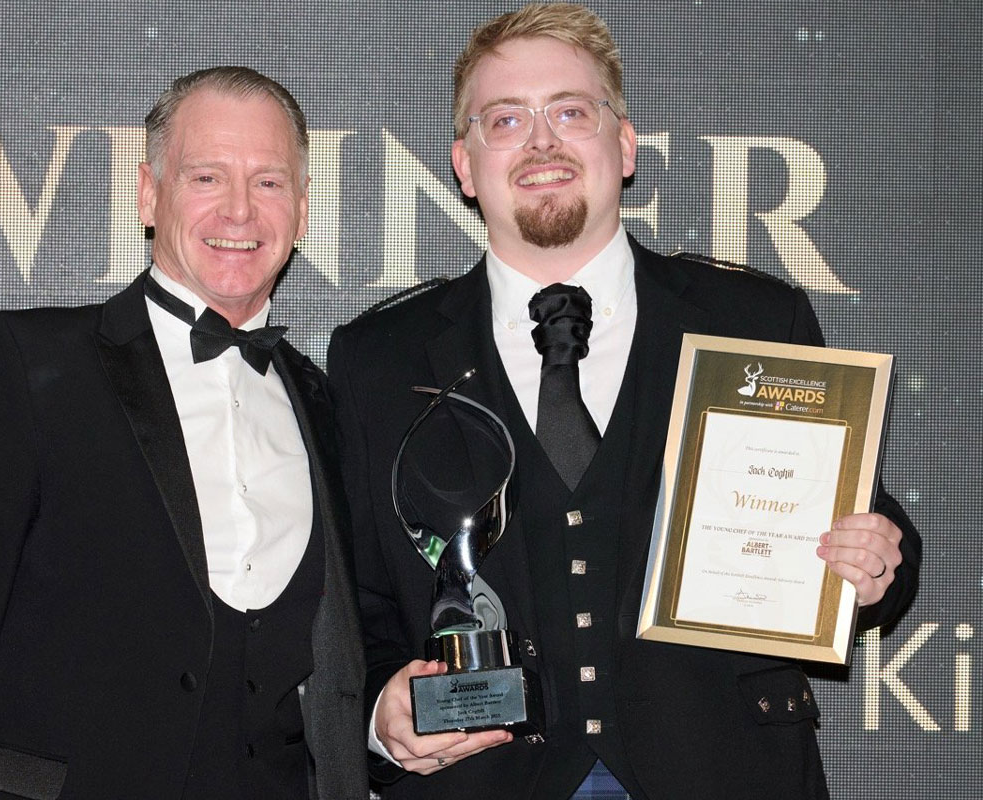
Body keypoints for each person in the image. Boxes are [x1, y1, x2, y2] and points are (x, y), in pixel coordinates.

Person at [326, 5, 920, 799]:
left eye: (571, 111)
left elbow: (859, 531)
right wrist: (380, 715)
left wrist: (877, 566)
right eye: (505, 119)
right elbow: (348, 612)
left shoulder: (752, 321)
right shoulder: (377, 359)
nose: (541, 142)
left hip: (721, 771)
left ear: (626, 144)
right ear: (464, 166)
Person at [0, 66, 367, 800]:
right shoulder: (28, 362)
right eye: (206, 177)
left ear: (300, 211)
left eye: (267, 182)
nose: (239, 212)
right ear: (148, 193)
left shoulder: (323, 402)